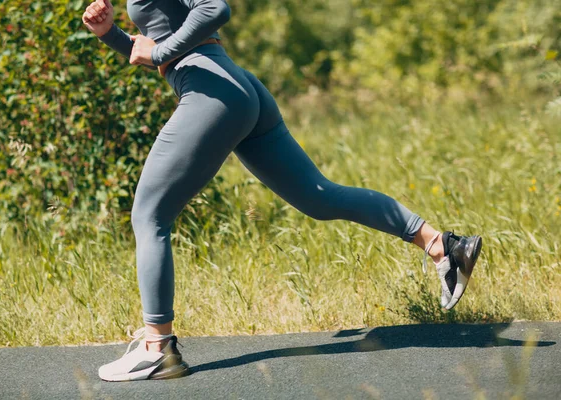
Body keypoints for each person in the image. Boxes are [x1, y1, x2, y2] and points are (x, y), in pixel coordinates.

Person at [82, 0, 483, 382]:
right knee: (320, 196)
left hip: (210, 89)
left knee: (149, 215)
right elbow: (157, 43)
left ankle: (157, 350)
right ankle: (443, 247)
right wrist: (110, 34)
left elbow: (212, 10)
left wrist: (158, 53)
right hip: (234, 86)